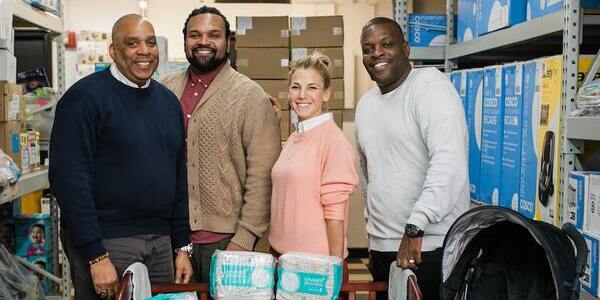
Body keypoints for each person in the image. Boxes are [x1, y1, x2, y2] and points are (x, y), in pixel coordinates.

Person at [49, 14, 193, 300]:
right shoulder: (84, 99)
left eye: (150, 43)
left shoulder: (167, 103)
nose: (144, 51)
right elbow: (69, 181)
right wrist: (95, 255)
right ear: (113, 51)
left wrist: (182, 247)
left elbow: (178, 178)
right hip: (108, 242)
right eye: (132, 43)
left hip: (160, 243)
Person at [161, 6, 281, 283]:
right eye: (195, 35)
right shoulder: (165, 90)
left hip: (228, 240)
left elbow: (262, 175)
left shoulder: (251, 96)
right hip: (173, 239)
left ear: (228, 41)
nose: (203, 42)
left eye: (213, 35)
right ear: (185, 41)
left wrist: (244, 238)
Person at [356, 17, 469, 300]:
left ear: (406, 48)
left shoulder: (430, 87)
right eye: (368, 48)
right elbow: (368, 173)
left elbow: (449, 163)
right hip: (384, 248)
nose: (377, 53)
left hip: (426, 247)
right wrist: (374, 231)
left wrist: (415, 225)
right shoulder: (366, 105)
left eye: (386, 44)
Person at [268, 51, 358, 297]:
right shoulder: (297, 136)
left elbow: (336, 215)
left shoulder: (333, 141)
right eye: (295, 87)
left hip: (315, 268)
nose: (302, 95)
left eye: (312, 88)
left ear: (327, 93)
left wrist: (334, 271)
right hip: (282, 260)